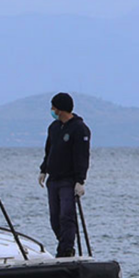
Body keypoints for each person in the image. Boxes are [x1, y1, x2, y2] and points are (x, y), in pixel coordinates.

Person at [38, 92, 91, 258]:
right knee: (55, 219)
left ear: (60, 109)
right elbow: (49, 151)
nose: (52, 110)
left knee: (66, 216)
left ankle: (66, 250)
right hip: (53, 179)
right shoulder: (53, 127)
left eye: (54, 107)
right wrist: (43, 169)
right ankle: (63, 244)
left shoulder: (79, 128)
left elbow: (82, 155)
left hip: (68, 180)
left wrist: (80, 180)